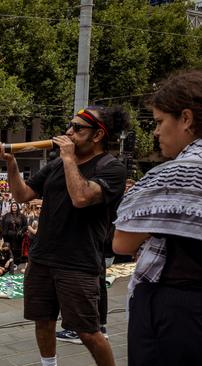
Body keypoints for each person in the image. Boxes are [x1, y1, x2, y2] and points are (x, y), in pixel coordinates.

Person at [0, 105, 129, 366]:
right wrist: (12, 163)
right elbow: (22, 195)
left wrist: (68, 158)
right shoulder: (54, 165)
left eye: (77, 128)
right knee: (43, 320)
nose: (69, 132)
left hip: (79, 261)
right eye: (70, 125)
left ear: (98, 135)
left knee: (88, 331)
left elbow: (81, 197)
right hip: (42, 257)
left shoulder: (112, 168)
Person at [112, 70, 202, 366]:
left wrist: (161, 224)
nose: (156, 131)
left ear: (186, 119)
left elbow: (122, 242)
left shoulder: (174, 174)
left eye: (160, 121)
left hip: (177, 309)